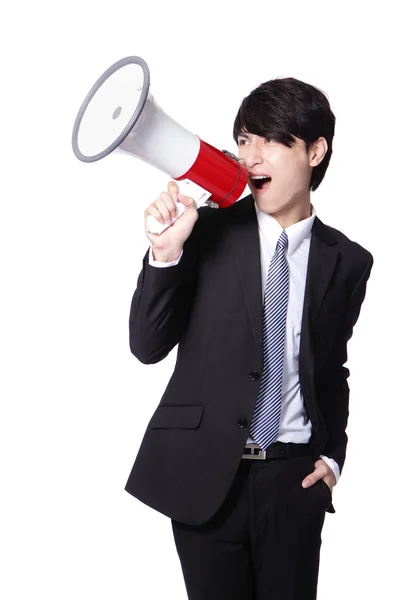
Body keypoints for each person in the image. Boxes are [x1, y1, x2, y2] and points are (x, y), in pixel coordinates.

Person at [124, 77, 374, 599]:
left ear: (315, 150)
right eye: (243, 140)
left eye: (270, 140)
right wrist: (166, 253)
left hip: (293, 484)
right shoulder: (205, 231)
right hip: (206, 480)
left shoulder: (348, 261)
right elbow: (146, 345)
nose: (250, 157)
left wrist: (333, 457)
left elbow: (332, 370)